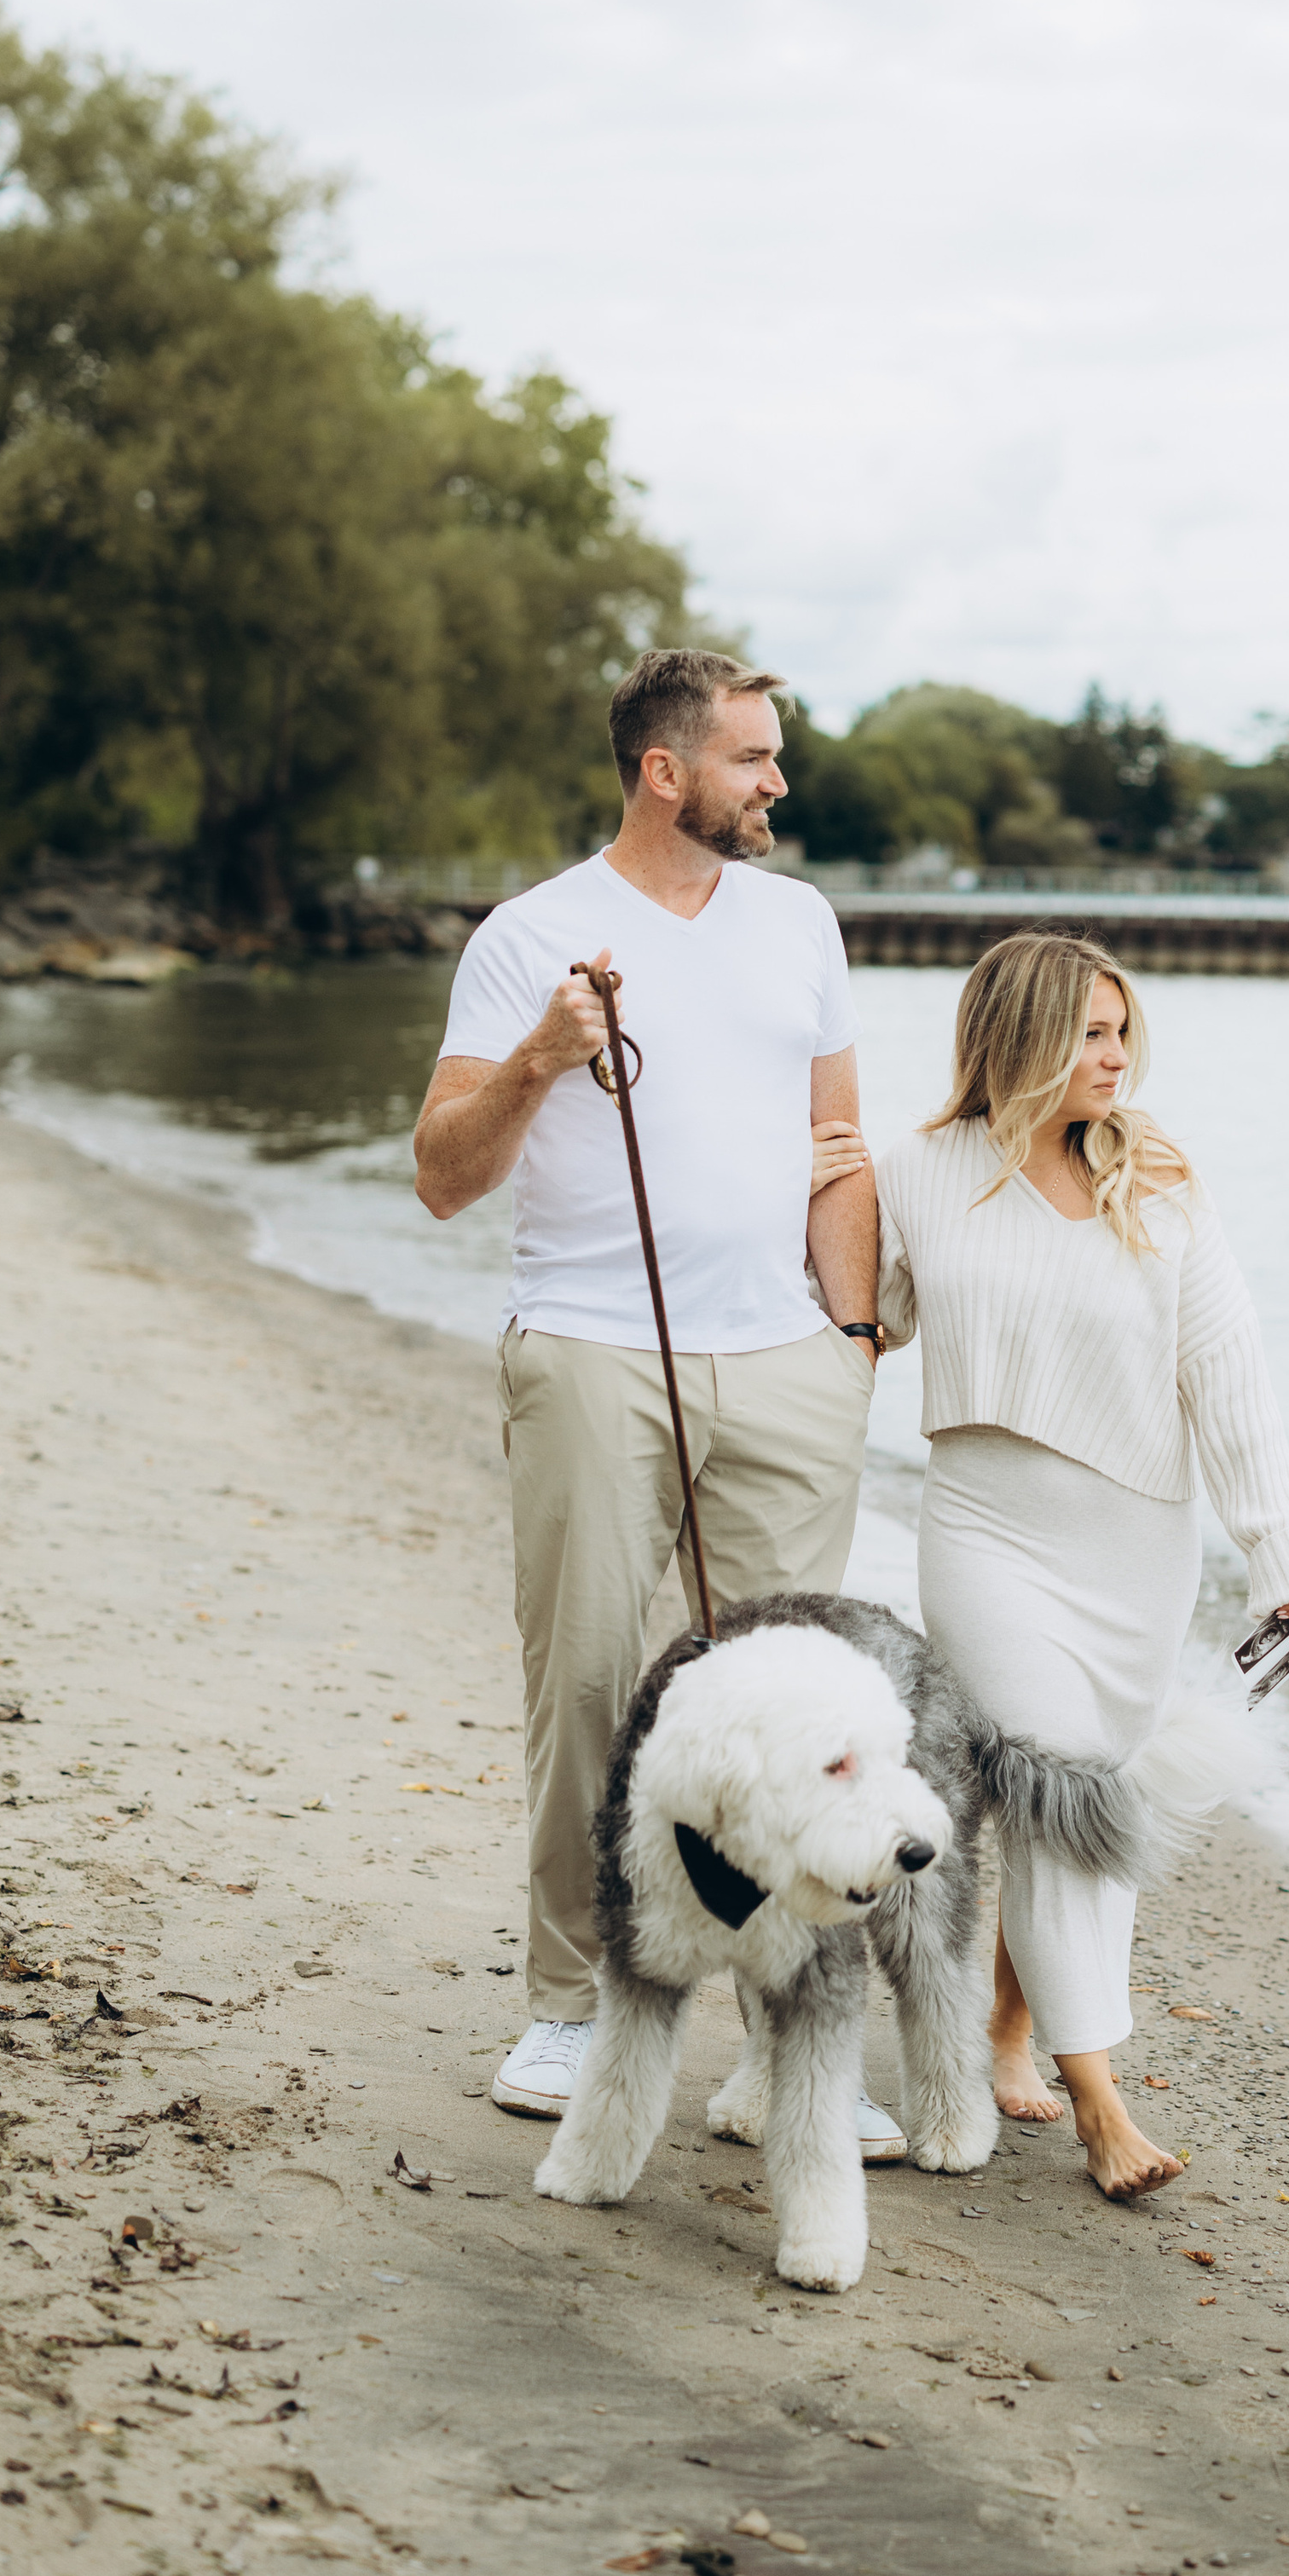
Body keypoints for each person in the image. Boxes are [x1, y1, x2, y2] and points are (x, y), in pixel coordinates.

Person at [411, 649, 906, 2156]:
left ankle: (786, 2045)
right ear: (665, 771)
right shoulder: (532, 936)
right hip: (589, 1350)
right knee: (584, 1686)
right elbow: (441, 1174)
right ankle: (573, 2002)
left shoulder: (801, 921)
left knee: (794, 1715)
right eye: (754, 758)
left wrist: (856, 1337)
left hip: (785, 1365)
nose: (777, 784)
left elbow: (839, 1141)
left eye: (775, 758)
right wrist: (545, 1061)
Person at [873, 932, 1289, 2197]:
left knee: (1062, 1808)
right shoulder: (915, 1171)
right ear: (1017, 1034)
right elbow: (861, 1322)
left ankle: (1010, 2029)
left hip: (1137, 1547)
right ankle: (1103, 2103)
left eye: (1125, 1032)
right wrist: (811, 1203)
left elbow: (1228, 1376)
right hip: (985, 1532)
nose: (1116, 1057)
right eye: (1091, 1033)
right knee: (1062, 1792)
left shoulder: (1162, 1177)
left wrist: (1280, 1553)